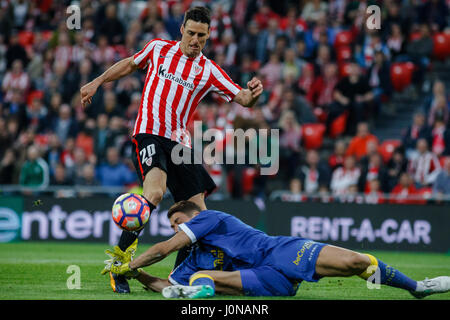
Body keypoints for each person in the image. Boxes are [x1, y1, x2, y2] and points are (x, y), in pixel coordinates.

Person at [80, 6, 263, 293]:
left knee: (201, 215)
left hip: (180, 144)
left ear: (208, 35)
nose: (195, 40)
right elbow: (129, 63)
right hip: (149, 134)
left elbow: (241, 97)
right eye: (191, 33)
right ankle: (120, 263)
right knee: (154, 193)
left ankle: (186, 276)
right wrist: (98, 81)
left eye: (201, 36)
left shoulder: (209, 69)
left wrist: (252, 95)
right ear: (181, 29)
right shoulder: (158, 49)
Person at [102, 200, 450, 299]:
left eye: (178, 221)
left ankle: (417, 288)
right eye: (173, 226)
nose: (176, 229)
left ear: (193, 217)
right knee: (201, 276)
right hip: (264, 279)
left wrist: (125, 262)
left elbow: (162, 248)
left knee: (357, 261)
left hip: (280, 251)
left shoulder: (210, 218)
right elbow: (165, 282)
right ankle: (197, 293)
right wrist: (138, 273)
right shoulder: (192, 259)